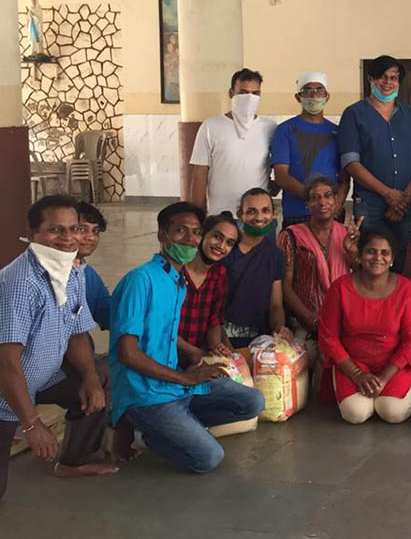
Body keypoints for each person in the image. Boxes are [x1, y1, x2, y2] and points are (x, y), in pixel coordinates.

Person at [109, 201, 265, 474]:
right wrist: (185, 378)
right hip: (146, 393)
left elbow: (170, 337)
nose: (190, 239)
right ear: (162, 234)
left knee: (254, 402)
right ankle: (149, 429)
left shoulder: (176, 281)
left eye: (195, 232)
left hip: (174, 383)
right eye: (181, 231)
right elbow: (127, 353)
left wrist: (198, 360)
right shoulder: (141, 280)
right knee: (208, 458)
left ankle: (174, 425)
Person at [1, 195, 117, 502]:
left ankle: (74, 461)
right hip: (5, 389)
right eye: (55, 230)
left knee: (99, 377)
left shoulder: (73, 271)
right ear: (33, 232)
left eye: (74, 228)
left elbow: (78, 334)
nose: (67, 238)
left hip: (43, 377)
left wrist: (91, 380)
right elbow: (6, 362)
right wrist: (32, 424)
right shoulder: (21, 282)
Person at [318, 228, 411, 424]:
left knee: (392, 413)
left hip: (393, 364)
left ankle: (387, 392)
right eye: (371, 251)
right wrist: (356, 374)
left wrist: (383, 378)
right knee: (355, 414)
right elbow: (328, 336)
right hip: (351, 362)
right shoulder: (340, 288)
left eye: (385, 253)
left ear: (392, 258)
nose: (378, 258)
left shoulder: (406, 289)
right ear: (359, 254)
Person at [339, 55, 411, 273]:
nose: (388, 82)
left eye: (394, 78)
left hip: (407, 206)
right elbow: (351, 163)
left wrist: (404, 198)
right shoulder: (354, 114)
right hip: (370, 204)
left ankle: (401, 306)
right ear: (371, 79)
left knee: (407, 261)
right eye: (382, 77)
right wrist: (389, 195)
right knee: (370, 260)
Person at [279, 176, 362, 345]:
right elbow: (284, 287)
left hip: (344, 321)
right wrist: (313, 322)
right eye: (315, 198)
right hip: (304, 323)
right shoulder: (291, 236)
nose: (322, 202)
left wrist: (352, 251)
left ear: (336, 201)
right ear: (307, 204)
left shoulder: (348, 234)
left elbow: (362, 281)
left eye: (327, 195)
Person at [189, 68, 278, 214]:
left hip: (258, 217)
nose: (249, 98)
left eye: (255, 93)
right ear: (231, 93)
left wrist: (272, 190)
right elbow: (199, 174)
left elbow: (279, 166)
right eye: (243, 93)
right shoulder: (211, 126)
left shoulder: (270, 128)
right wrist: (196, 215)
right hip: (221, 214)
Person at [271, 71, 350, 229]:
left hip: (331, 214)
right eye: (307, 91)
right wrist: (316, 200)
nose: (314, 95)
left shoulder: (337, 132)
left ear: (327, 96)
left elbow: (344, 178)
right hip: (296, 213)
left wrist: (336, 204)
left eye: (319, 90)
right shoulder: (285, 130)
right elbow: (281, 176)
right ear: (298, 97)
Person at [222, 189, 291, 348]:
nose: (259, 218)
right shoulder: (225, 249)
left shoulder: (275, 255)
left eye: (265, 211)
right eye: (251, 212)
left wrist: (279, 330)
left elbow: (276, 305)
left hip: (260, 338)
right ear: (240, 215)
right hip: (222, 335)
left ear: (274, 213)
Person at [176, 212, 240, 366]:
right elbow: (163, 327)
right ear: (203, 234)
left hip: (199, 356)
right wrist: (198, 354)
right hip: (168, 353)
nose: (221, 246)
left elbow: (214, 320)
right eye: (217, 237)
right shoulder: (177, 270)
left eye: (229, 243)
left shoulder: (219, 275)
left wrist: (216, 347)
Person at [75, 201, 112, 331]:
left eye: (95, 231)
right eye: (82, 229)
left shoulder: (87, 273)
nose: (91, 237)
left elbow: (107, 313)